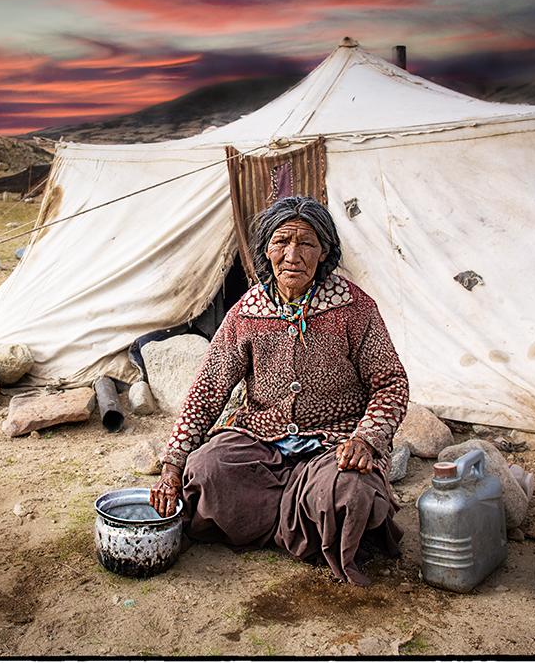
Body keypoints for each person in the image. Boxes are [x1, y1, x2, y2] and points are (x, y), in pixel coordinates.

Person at [150, 195, 409, 585]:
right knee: (204, 470)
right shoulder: (247, 312)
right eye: (281, 241)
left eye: (306, 243)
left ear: (324, 251)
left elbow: (391, 383)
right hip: (261, 437)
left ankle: (276, 515)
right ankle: (298, 520)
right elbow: (208, 389)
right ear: (265, 249)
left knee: (351, 494)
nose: (293, 255)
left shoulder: (355, 308)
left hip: (335, 441)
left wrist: (367, 439)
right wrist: (172, 463)